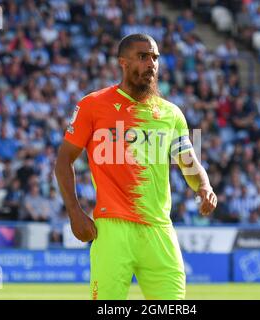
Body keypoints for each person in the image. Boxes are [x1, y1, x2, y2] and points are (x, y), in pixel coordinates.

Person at [55, 34, 217, 300]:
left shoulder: (171, 114)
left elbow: (189, 163)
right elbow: (63, 161)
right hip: (113, 228)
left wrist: (204, 186)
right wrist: (74, 211)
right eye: (143, 57)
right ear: (123, 63)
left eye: (155, 57)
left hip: (159, 229)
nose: (151, 63)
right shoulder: (92, 105)